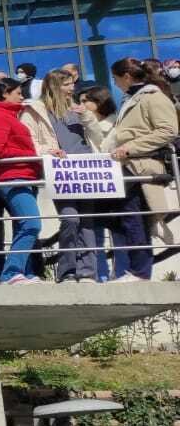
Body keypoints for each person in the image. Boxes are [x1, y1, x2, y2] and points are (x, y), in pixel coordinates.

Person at [107, 57, 179, 282]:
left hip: (141, 165)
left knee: (134, 217)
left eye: (116, 78)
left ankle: (139, 271)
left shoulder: (153, 96)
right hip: (128, 165)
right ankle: (134, 270)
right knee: (128, 218)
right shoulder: (131, 98)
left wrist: (130, 148)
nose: (115, 83)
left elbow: (168, 131)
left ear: (126, 77)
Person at [33, 68, 97, 282]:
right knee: (70, 219)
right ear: (55, 86)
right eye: (67, 84)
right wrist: (47, 152)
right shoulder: (37, 110)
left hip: (86, 169)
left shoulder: (78, 109)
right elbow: (32, 140)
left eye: (72, 84)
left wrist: (87, 116)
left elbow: (98, 136)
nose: (72, 88)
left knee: (87, 222)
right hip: (60, 172)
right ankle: (67, 270)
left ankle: (87, 271)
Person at [0, 78, 44, 284]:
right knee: (31, 223)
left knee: (22, 225)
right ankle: (11, 273)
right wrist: (29, 153)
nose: (21, 96)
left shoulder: (8, 115)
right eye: (17, 92)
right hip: (12, 175)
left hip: (24, 174)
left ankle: (23, 272)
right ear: (5, 94)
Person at [78, 86, 129, 281]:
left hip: (114, 182)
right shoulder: (81, 123)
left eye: (85, 101)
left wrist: (89, 121)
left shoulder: (116, 123)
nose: (81, 105)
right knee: (94, 231)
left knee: (118, 230)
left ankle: (122, 273)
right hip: (90, 183)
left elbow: (103, 146)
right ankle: (100, 274)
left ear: (99, 102)